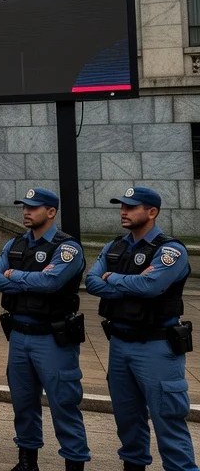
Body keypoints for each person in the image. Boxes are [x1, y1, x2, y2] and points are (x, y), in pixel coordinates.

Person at [85, 186, 195, 471]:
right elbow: (92, 283)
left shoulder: (170, 250)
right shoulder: (115, 246)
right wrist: (122, 280)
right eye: (122, 206)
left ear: (152, 212)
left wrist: (112, 278)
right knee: (128, 420)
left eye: (131, 207)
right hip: (120, 344)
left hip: (156, 347)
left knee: (168, 421)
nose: (123, 211)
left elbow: (151, 286)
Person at [0, 187, 88, 471]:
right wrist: (27, 279)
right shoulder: (15, 244)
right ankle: (26, 462)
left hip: (52, 338)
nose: (26, 212)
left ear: (51, 212)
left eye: (33, 207)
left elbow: (51, 283)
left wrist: (14, 275)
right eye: (24, 207)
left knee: (63, 405)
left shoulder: (66, 247)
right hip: (19, 335)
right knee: (23, 403)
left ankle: (74, 463)